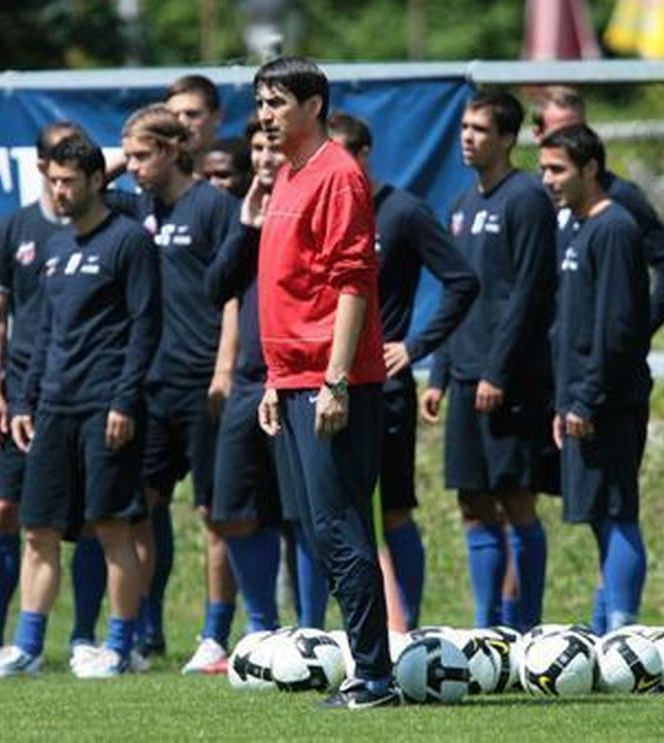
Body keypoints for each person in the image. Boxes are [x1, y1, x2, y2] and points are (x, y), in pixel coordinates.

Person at [0, 135, 161, 680]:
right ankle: (27, 648)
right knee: (38, 530)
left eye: (69, 181)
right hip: (53, 406)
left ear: (97, 181)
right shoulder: (54, 248)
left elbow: (146, 325)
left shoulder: (129, 242)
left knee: (111, 528)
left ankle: (119, 647)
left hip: (108, 406)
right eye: (53, 181)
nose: (59, 191)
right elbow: (44, 332)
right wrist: (25, 400)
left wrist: (126, 399)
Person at [247, 56, 398, 709]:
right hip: (294, 378)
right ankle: (365, 667)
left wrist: (335, 379)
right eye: (260, 103)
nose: (265, 115)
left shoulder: (338, 175)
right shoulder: (286, 174)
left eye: (277, 102)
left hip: (333, 381)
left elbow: (350, 283)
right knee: (320, 528)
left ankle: (374, 677)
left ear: (312, 107)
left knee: (340, 525)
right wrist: (276, 380)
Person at [327, 111, 479, 631]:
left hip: (385, 388)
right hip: (328, 384)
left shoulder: (403, 212)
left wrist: (415, 347)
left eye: (345, 151)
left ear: (365, 153)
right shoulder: (324, 209)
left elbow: (462, 280)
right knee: (331, 511)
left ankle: (402, 626)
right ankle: (342, 622)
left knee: (391, 511)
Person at [0, 121, 88, 670]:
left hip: (79, 388)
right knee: (3, 510)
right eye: (56, 162)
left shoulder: (106, 225)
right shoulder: (13, 231)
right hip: (22, 392)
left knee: (88, 520)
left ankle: (82, 637)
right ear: (41, 167)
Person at [107, 104, 244, 672]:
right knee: (139, 509)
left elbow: (235, 295)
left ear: (169, 151)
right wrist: (123, 157)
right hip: (148, 383)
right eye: (129, 156)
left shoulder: (214, 206)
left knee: (214, 513)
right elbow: (86, 179)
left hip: (201, 380)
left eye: (142, 155)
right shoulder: (134, 206)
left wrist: (223, 370)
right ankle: (140, 632)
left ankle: (215, 636)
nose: (132, 166)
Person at [420, 90, 558, 631]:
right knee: (473, 501)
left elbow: (528, 294)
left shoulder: (525, 199)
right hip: (465, 372)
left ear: (507, 137)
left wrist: (498, 370)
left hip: (510, 378)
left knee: (515, 500)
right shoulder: (461, 205)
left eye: (480, 129)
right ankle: (486, 625)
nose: (468, 137)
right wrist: (441, 374)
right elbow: (459, 296)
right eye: (464, 128)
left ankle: (521, 626)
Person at [541, 123, 652, 635]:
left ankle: (621, 631)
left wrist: (586, 399)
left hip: (607, 400)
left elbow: (617, 328)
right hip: (578, 398)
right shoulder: (575, 224)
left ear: (590, 169)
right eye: (543, 168)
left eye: (557, 169)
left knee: (615, 509)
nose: (548, 179)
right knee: (597, 516)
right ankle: (604, 623)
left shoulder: (615, 229)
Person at [202, 118, 288, 652]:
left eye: (272, 146)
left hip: (298, 378)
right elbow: (217, 287)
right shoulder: (247, 212)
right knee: (230, 511)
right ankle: (261, 628)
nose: (263, 157)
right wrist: (247, 224)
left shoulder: (310, 204)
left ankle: (310, 629)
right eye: (256, 148)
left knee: (301, 518)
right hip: (249, 383)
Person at [530, 85, 664, 335]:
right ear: (537, 134)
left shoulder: (618, 197)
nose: (572, 139)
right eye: (561, 131)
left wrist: (639, 331)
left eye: (580, 129)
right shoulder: (532, 194)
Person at [166, 74, 223, 163]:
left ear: (217, 117)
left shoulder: (241, 170)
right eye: (174, 116)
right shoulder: (157, 174)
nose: (182, 122)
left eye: (192, 114)